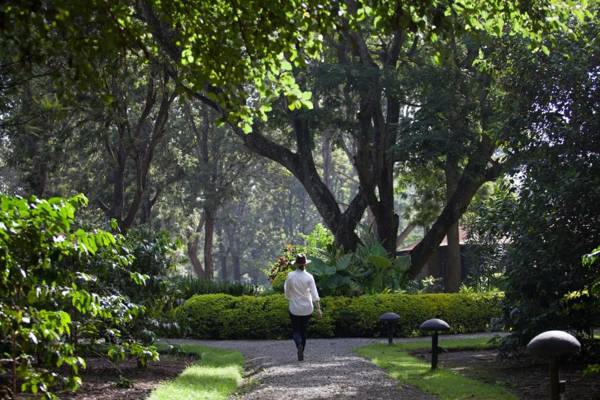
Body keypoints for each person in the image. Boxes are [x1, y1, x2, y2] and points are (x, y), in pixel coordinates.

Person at [284, 253, 322, 361]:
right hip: (307, 308)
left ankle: (299, 345)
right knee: (304, 330)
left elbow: (287, 290)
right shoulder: (309, 277)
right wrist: (318, 309)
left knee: (296, 330)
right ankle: (302, 350)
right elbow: (314, 294)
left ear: (296, 264)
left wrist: (289, 297)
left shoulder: (290, 276)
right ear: (306, 264)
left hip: (294, 307)